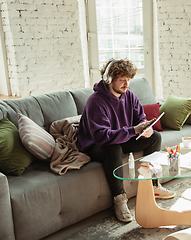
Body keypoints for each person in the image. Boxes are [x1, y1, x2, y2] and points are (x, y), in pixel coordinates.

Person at [77, 59, 175, 223]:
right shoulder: (95, 101)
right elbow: (102, 137)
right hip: (96, 144)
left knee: (155, 137)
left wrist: (146, 128)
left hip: (120, 137)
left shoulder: (129, 95)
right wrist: (133, 130)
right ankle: (120, 199)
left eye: (128, 79)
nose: (126, 83)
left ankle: (153, 185)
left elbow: (140, 118)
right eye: (122, 79)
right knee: (113, 148)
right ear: (109, 79)